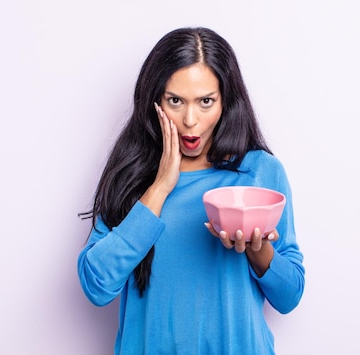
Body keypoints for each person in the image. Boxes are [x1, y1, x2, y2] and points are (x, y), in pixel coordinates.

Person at [77, 26, 305, 354]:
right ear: (154, 101)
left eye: (205, 102)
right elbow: (96, 285)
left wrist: (258, 251)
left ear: (226, 101)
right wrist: (159, 188)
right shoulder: (133, 175)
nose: (190, 120)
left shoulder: (259, 172)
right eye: (175, 101)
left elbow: (290, 296)